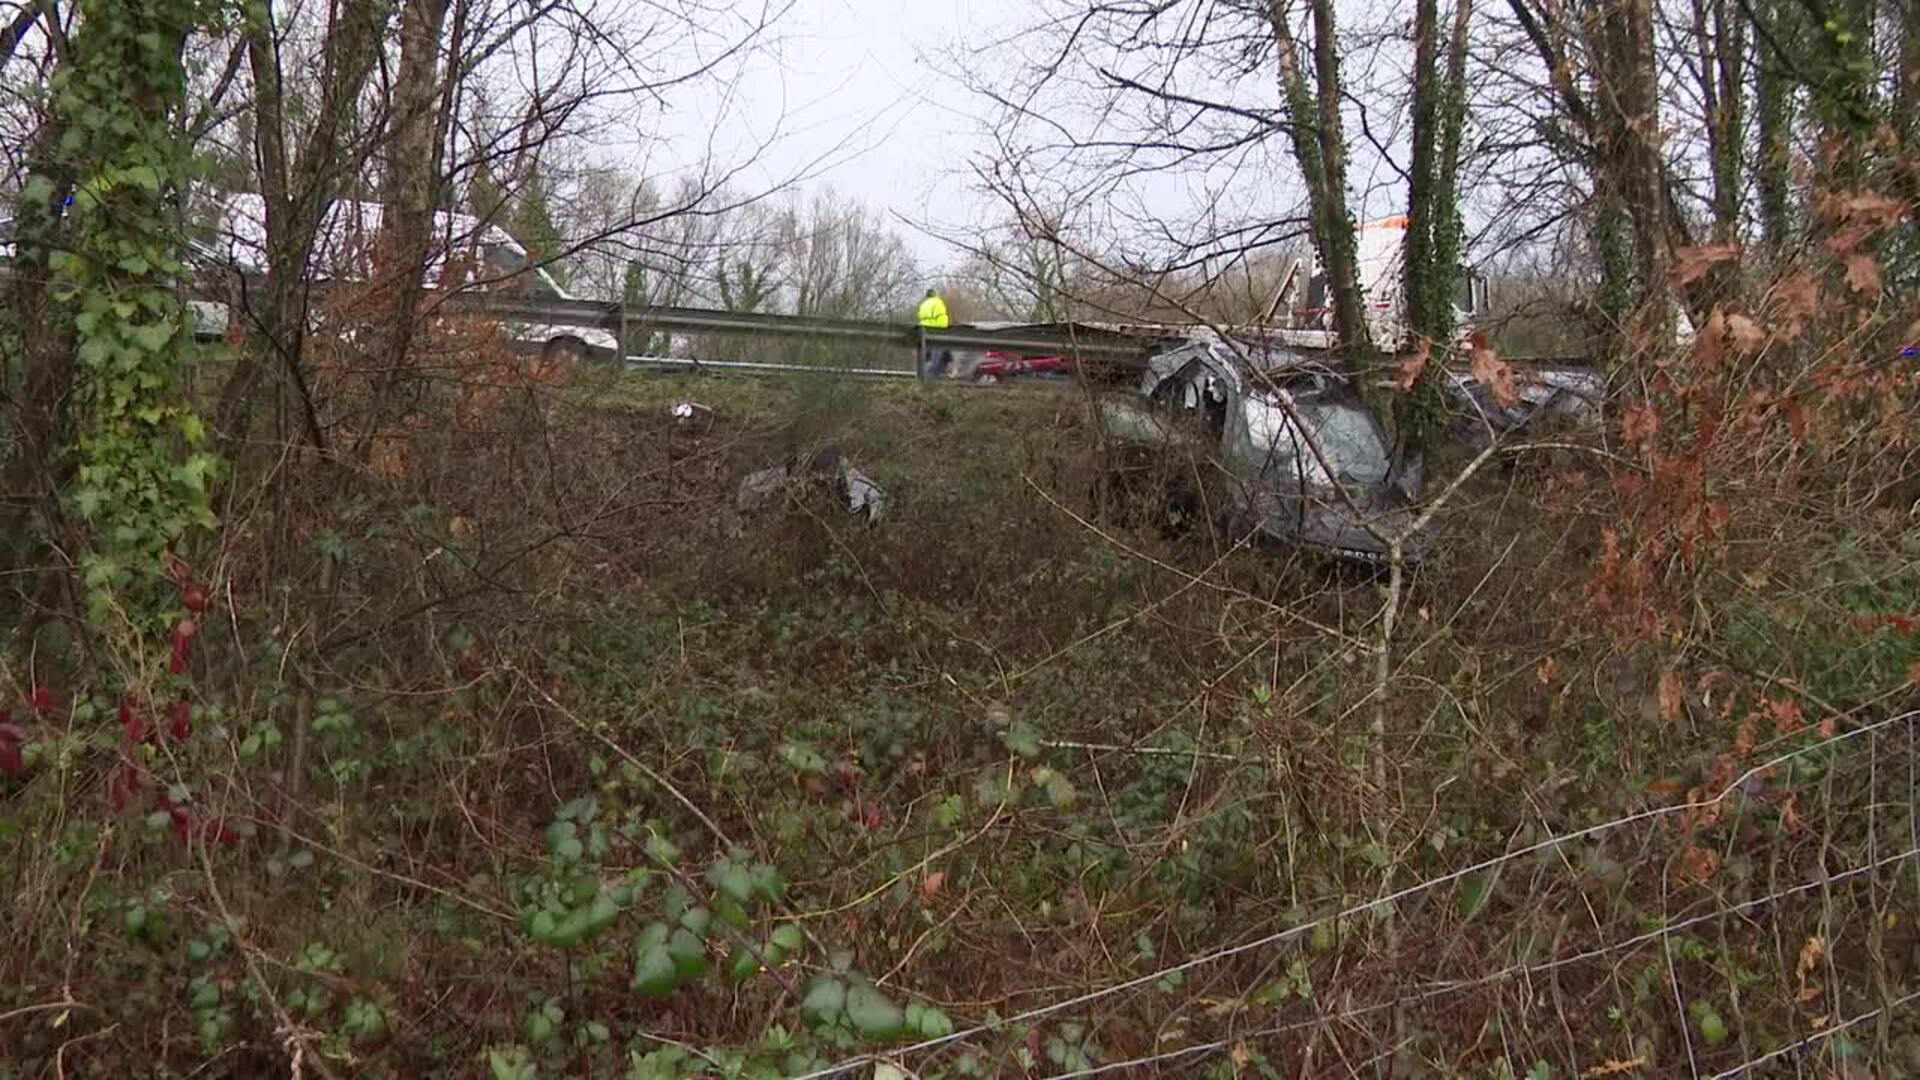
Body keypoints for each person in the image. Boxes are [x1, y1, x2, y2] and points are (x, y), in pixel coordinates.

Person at [916, 288, 952, 378]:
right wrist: (944, 331)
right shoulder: (937, 303)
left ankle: (924, 377)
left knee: (927, 359)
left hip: (924, 334)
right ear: (934, 294)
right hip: (936, 333)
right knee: (937, 359)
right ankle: (932, 378)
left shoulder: (923, 305)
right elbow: (942, 318)